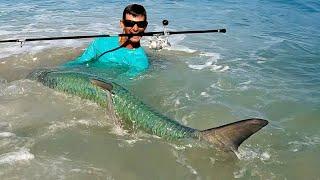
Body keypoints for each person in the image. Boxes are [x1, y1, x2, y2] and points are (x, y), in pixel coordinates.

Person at [62, 4, 149, 77]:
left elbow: (120, 83)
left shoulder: (141, 63)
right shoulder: (100, 42)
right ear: (122, 24)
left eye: (141, 24)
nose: (135, 28)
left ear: (145, 26)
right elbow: (78, 63)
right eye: (130, 23)